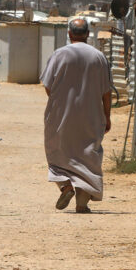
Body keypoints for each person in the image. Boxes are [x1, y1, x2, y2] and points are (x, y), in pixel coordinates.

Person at [40, 18, 112, 213]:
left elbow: (48, 86)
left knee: (57, 153)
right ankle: (82, 204)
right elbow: (106, 91)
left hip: (61, 115)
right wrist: (107, 116)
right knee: (88, 156)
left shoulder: (60, 54)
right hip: (91, 115)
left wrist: (60, 103)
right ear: (87, 34)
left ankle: (65, 186)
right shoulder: (99, 57)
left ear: (69, 34)